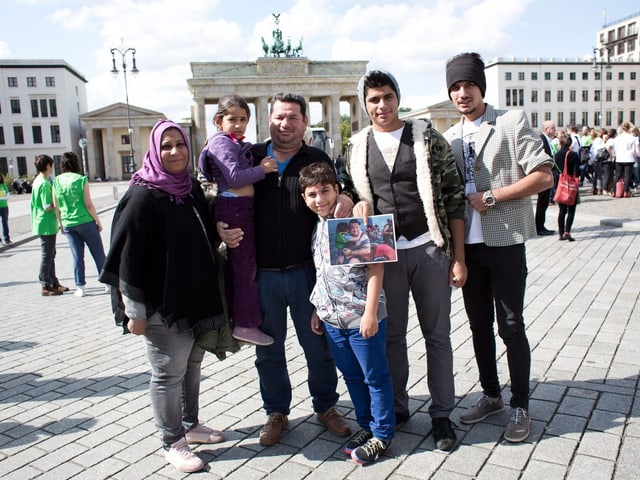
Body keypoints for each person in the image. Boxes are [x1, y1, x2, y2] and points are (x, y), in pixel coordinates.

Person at [218, 92, 354, 447]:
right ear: (269, 119)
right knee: (269, 349)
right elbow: (219, 190)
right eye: (279, 117)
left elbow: (344, 185)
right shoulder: (251, 156)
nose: (285, 124)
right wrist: (219, 225)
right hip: (261, 274)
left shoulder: (316, 156)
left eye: (293, 117)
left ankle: (326, 406)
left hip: (307, 272)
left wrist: (346, 197)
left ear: (304, 122)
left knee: (318, 344)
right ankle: (276, 411)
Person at [100, 120, 228, 473]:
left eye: (180, 145)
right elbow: (126, 259)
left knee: (191, 366)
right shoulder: (142, 196)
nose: (175, 152)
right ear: (155, 151)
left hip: (192, 299)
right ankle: (171, 441)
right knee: (168, 373)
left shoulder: (187, 189)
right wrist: (134, 312)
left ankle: (190, 425)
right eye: (166, 146)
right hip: (161, 306)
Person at [348, 70, 466, 452]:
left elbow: (453, 197)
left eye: (387, 97)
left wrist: (457, 257)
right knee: (391, 336)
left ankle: (442, 413)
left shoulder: (427, 137)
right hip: (384, 253)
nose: (381, 105)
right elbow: (349, 194)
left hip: (428, 245)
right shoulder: (357, 145)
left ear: (397, 98)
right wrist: (356, 203)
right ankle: (397, 408)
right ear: (365, 106)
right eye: (373, 100)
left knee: (437, 335)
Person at [443, 52, 554, 443]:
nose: (462, 93)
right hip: (467, 249)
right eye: (455, 87)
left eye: (468, 85)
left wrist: (494, 197)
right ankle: (491, 395)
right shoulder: (450, 137)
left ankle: (520, 403)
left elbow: (543, 176)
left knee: (510, 326)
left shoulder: (510, 121)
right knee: (477, 326)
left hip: (504, 242)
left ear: (480, 87)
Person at [300, 161, 394, 465]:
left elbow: (375, 267)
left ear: (337, 190)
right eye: (312, 194)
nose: (319, 199)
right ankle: (366, 426)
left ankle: (382, 433)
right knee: (352, 376)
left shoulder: (351, 220)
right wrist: (318, 308)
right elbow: (322, 271)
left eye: (325, 191)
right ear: (304, 198)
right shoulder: (316, 225)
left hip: (360, 316)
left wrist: (369, 313)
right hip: (331, 317)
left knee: (374, 376)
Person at [198, 94, 277, 346]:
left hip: (238, 207)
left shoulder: (230, 141)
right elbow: (234, 177)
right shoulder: (221, 142)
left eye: (244, 119)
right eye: (233, 119)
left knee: (242, 266)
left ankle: (239, 319)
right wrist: (262, 171)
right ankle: (245, 324)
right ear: (219, 121)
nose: (239, 124)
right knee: (245, 269)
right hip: (235, 208)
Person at [53, 152, 107, 298]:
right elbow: (88, 204)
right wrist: (98, 221)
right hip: (85, 221)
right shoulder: (81, 179)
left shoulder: (56, 181)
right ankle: (107, 283)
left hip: (68, 223)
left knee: (77, 256)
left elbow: (56, 205)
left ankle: (80, 287)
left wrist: (60, 223)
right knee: (98, 253)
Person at [30, 155, 68, 296]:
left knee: (51, 253)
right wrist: (59, 203)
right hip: (46, 223)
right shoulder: (45, 183)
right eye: (51, 165)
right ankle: (45, 284)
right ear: (47, 166)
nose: (53, 167)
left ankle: (53, 282)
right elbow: (47, 206)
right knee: (47, 255)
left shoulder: (39, 180)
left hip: (43, 222)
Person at [554, 135, 580, 241]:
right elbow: (576, 172)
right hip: (570, 185)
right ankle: (567, 231)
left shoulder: (556, 154)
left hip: (560, 184)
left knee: (562, 210)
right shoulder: (573, 154)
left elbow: (555, 169)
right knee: (571, 210)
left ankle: (560, 233)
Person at [535, 120, 556, 235]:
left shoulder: (547, 140)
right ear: (547, 129)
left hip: (547, 174)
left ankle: (540, 225)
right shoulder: (541, 139)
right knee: (542, 201)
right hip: (543, 175)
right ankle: (539, 227)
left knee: (544, 202)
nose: (554, 130)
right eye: (553, 128)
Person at [613, 122, 637, 197]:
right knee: (627, 176)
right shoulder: (632, 138)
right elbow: (634, 151)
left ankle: (614, 191)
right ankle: (626, 192)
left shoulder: (617, 138)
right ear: (629, 128)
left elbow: (615, 149)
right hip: (629, 158)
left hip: (619, 157)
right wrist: (635, 159)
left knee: (617, 175)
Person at [0, 173, 11, 245]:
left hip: (4, 207)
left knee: (5, 223)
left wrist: (1, 198)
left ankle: (7, 239)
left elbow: (8, 196)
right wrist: (3, 197)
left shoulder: (4, 186)